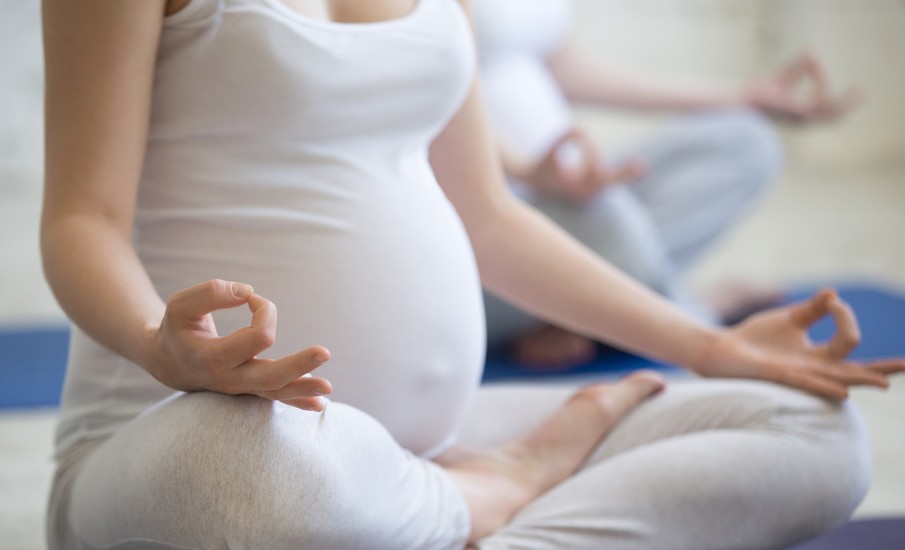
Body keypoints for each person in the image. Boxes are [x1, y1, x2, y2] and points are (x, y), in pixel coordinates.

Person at [41, 0, 901, 548]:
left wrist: (708, 347)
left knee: (813, 436)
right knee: (243, 479)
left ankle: (440, 514)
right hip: (186, 440)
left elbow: (491, 219)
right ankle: (488, 495)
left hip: (427, 444)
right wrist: (162, 345)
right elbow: (83, 217)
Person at [474, 0, 863, 368]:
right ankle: (697, 313)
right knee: (609, 224)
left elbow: (564, 67)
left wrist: (738, 97)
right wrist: (525, 171)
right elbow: (440, 97)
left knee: (747, 140)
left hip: (570, 189)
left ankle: (574, 312)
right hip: (489, 212)